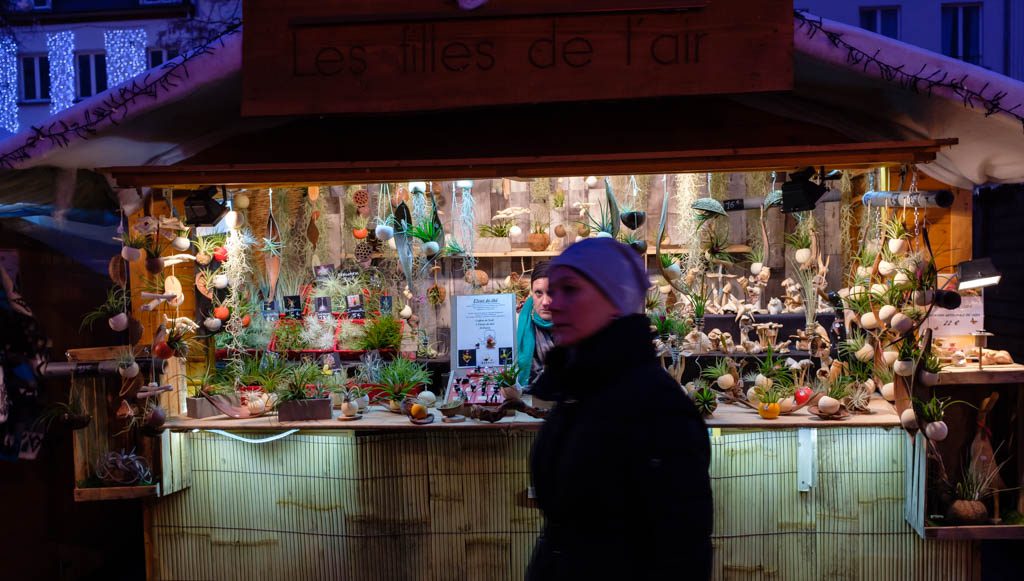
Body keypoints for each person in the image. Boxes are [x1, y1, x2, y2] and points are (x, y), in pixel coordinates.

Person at [527, 238, 713, 581]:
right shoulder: (577, 388)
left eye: (570, 289)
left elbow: (681, 553)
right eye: (551, 290)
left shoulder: (659, 410)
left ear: (613, 300)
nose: (553, 303)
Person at [515, 261, 555, 388]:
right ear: (532, 293)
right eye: (538, 293)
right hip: (527, 398)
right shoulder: (518, 325)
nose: (545, 302)